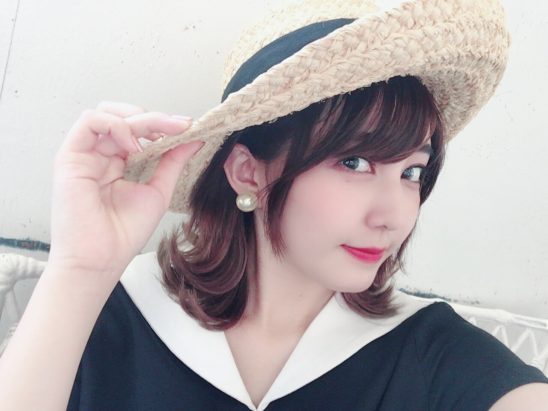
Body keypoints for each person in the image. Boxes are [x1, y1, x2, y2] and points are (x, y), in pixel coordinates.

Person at [0, 0, 547, 410]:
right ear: (248, 171)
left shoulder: (433, 353)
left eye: (411, 173)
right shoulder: (114, 313)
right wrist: (80, 270)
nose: (394, 216)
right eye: (354, 162)